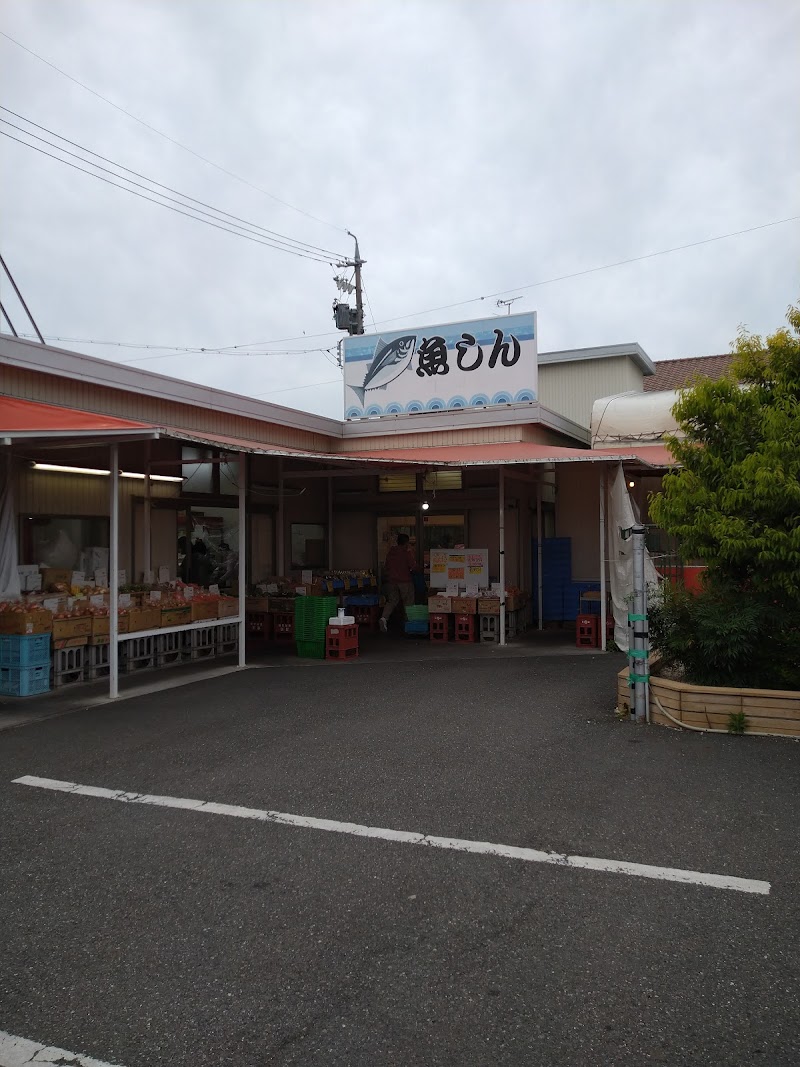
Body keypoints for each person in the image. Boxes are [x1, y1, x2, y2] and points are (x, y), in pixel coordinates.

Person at [380, 533, 418, 632]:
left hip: (392, 581)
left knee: (392, 601)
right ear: (406, 543)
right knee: (408, 602)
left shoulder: (390, 553)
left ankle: (384, 618)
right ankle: (408, 624)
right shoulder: (406, 553)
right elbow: (413, 567)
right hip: (405, 581)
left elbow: (386, 567)